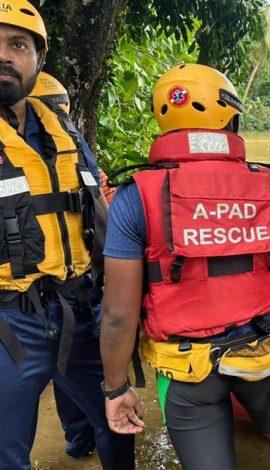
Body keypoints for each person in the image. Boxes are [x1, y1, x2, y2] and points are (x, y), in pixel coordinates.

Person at [99, 63, 270, 470]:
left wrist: (116, 388)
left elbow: (117, 314)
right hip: (259, 348)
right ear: (229, 116)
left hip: (187, 365)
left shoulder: (135, 196)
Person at [0, 1, 135, 468]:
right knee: (7, 450)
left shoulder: (65, 133)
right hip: (9, 323)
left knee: (118, 425)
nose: (4, 56)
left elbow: (100, 217)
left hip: (79, 309)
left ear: (39, 57)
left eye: (18, 44)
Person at [29, 71, 97, 459]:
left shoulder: (71, 148)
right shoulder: (74, 147)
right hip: (64, 295)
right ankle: (81, 440)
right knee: (76, 372)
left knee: (65, 372)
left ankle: (77, 441)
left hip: (55, 297)